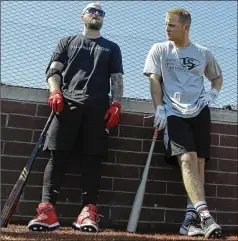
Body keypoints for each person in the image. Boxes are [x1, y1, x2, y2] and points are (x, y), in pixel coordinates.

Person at [28, 2, 124, 233]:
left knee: (93, 159)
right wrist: (55, 90)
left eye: (101, 12)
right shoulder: (67, 41)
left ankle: (88, 213)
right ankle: (47, 212)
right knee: (57, 156)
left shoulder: (112, 47)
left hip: (98, 109)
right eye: (92, 11)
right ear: (82, 16)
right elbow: (53, 70)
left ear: (104, 19)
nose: (96, 14)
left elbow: (117, 79)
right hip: (66, 105)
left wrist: (116, 103)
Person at [143, 8, 223, 239]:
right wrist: (158, 107)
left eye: (171, 25)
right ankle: (205, 214)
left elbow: (217, 77)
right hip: (174, 112)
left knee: (199, 163)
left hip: (200, 111)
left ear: (185, 27)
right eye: (166, 24)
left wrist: (213, 94)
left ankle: (191, 218)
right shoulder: (159, 49)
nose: (166, 28)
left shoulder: (203, 53)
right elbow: (154, 80)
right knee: (186, 159)